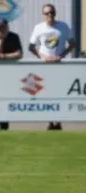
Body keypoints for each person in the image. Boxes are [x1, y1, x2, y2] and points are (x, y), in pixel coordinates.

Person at [28, 3, 76, 131]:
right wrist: (42, 57)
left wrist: (61, 56)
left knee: (59, 92)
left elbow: (72, 44)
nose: (50, 15)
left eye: (52, 12)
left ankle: (58, 121)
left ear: (55, 13)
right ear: (43, 15)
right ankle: (50, 121)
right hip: (44, 66)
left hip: (59, 65)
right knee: (46, 93)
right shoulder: (38, 28)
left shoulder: (63, 27)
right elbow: (31, 46)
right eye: (47, 13)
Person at [0, 18, 23, 131]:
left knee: (6, 100)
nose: (1, 30)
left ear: (7, 27)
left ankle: (4, 125)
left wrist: (4, 57)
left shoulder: (14, 37)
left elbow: (19, 54)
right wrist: (0, 40)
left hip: (9, 74)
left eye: (3, 27)